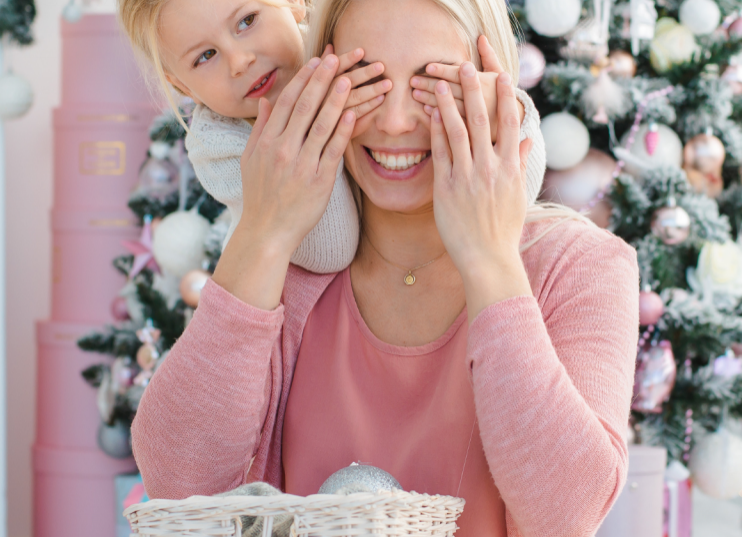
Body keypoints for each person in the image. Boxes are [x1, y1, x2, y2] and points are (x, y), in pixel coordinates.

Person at [131, 0, 639, 535]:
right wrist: (263, 229)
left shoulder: (580, 266)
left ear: (494, 89)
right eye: (364, 77)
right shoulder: (287, 266)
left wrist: (491, 261)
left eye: (431, 82)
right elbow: (180, 484)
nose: (395, 122)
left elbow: (566, 514)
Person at [117, 0, 533, 273]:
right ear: (184, 87)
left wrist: (504, 118)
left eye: (247, 21)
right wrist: (319, 126)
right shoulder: (220, 147)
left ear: (295, 3)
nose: (239, 61)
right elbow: (330, 250)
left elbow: (524, 190)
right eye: (204, 56)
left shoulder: (350, 39)